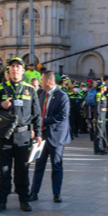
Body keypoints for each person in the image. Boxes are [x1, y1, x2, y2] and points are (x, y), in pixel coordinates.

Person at [0, 58, 42, 212]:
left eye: (18, 67)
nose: (15, 69)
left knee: (22, 170)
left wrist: (38, 133)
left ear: (23, 70)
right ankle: (1, 201)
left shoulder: (30, 90)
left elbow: (36, 114)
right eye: (12, 67)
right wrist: (0, 105)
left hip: (23, 136)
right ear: (8, 70)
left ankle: (24, 200)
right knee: (4, 171)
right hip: (5, 136)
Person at [29, 71, 71, 203]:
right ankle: (34, 192)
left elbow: (62, 115)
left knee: (56, 166)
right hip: (42, 136)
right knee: (38, 165)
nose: (40, 82)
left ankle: (56, 194)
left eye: (41, 80)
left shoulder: (62, 96)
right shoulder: (41, 94)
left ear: (48, 81)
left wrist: (44, 121)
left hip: (56, 136)